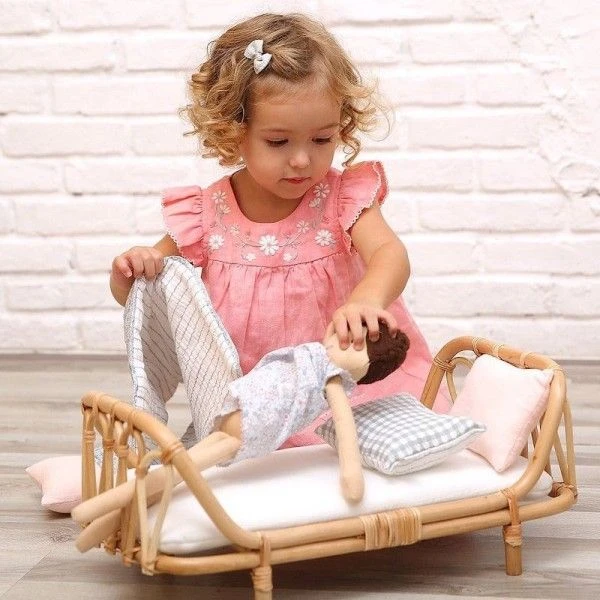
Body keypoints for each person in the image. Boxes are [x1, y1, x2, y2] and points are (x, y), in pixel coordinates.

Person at [109, 12, 449, 448]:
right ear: (233, 132)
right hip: (264, 402)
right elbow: (148, 297)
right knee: (265, 466)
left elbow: (389, 254)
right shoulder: (205, 215)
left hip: (355, 383)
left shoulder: (342, 198)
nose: (302, 160)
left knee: (391, 445)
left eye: (322, 139)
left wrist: (366, 299)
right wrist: (131, 272)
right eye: (278, 142)